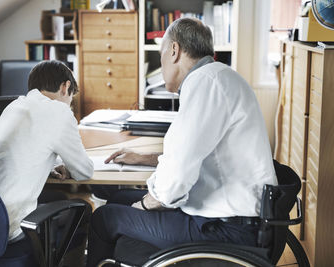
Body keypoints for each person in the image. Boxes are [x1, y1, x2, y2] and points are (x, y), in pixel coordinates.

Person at [86, 18, 277, 267]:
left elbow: (174, 182)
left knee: (105, 218)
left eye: (161, 54)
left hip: (224, 229)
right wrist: (145, 159)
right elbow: (200, 152)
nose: (161, 63)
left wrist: (145, 204)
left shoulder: (205, 83)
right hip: (231, 216)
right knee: (120, 200)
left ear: (174, 51)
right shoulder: (218, 77)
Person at [0, 60, 94, 244]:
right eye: (71, 98)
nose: (69, 104)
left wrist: (49, 166)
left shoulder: (15, 106)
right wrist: (69, 167)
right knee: (85, 209)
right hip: (6, 225)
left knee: (58, 197)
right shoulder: (59, 112)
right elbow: (84, 172)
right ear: (66, 86)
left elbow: (21, 151)